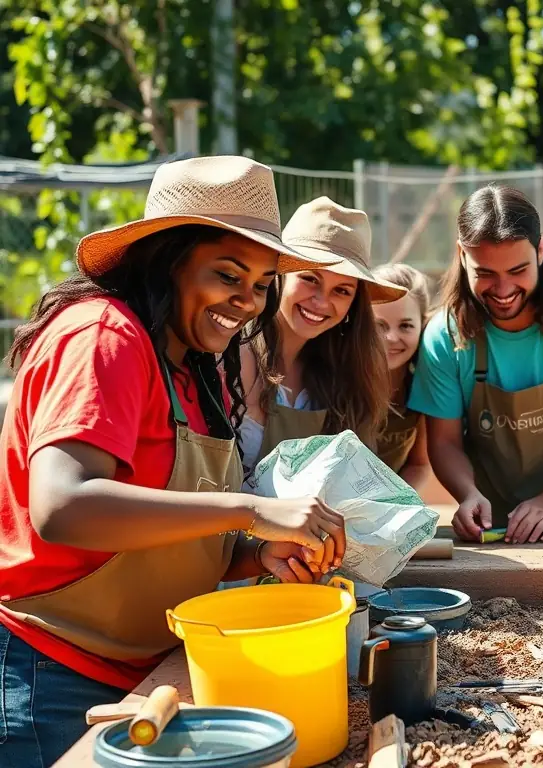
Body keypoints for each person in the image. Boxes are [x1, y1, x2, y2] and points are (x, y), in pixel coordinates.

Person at [0, 157, 350, 767]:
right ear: (167, 259)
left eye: (263, 283)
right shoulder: (104, 337)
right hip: (49, 675)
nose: (247, 301)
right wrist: (252, 508)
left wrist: (253, 552)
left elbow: (168, 528)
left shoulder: (196, 362)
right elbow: (63, 507)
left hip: (142, 671)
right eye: (227, 274)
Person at [408, 185, 543, 543]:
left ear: (540, 250)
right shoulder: (444, 336)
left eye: (517, 269)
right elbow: (445, 442)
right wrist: (466, 494)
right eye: (486, 273)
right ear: (462, 256)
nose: (503, 288)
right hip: (489, 528)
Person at [238, 197, 407, 488]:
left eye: (341, 290)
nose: (321, 301)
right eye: (310, 279)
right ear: (279, 275)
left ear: (354, 306)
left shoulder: (352, 373)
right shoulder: (237, 355)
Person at [371, 263, 432, 490]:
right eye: (379, 325)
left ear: (422, 326)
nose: (391, 338)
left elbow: (420, 465)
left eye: (405, 326)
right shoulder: (341, 379)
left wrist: (398, 503)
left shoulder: (423, 384)